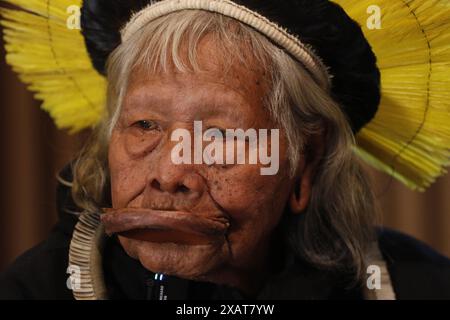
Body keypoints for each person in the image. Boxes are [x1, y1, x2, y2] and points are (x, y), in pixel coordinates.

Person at [0, 0, 449, 300]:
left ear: (304, 164)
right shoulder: (33, 290)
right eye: (144, 124)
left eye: (219, 136)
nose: (170, 172)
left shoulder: (418, 286)